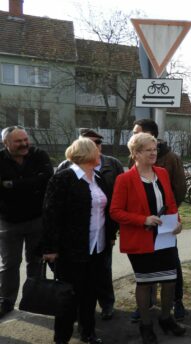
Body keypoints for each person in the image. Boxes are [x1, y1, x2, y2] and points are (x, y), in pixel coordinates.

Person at [110, 133, 185, 344]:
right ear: (135, 153)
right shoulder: (124, 179)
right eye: (148, 150)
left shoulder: (161, 173)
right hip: (140, 238)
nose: (153, 153)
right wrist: (143, 219)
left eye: (155, 150)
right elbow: (115, 211)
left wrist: (176, 221)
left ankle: (165, 318)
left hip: (165, 237)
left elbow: (170, 201)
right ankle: (146, 325)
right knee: (145, 283)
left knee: (170, 280)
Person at [41, 138, 114, 344]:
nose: (100, 154)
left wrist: (109, 236)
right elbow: (50, 214)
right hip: (70, 249)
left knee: (90, 293)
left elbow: (105, 212)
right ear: (87, 154)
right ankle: (62, 338)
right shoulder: (64, 178)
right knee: (68, 297)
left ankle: (88, 332)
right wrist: (50, 248)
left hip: (96, 246)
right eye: (97, 151)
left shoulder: (97, 178)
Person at [56, 128, 123, 320]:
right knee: (76, 279)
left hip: (101, 233)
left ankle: (104, 306)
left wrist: (112, 232)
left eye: (99, 143)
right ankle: (73, 316)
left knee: (102, 272)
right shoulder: (65, 171)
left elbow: (114, 199)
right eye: (92, 144)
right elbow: (53, 210)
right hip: (74, 239)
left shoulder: (110, 166)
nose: (97, 147)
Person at [132, 119, 188, 321]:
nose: (132, 134)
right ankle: (146, 307)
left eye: (136, 132)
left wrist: (172, 217)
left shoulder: (171, 158)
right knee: (146, 273)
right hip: (144, 226)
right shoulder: (135, 157)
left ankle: (177, 302)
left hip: (166, 225)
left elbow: (179, 191)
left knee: (172, 269)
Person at [0, 125, 53, 319]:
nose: (24, 144)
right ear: (6, 143)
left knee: (36, 261)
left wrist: (11, 185)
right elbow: (38, 182)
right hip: (8, 222)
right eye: (18, 141)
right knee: (9, 264)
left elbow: (47, 179)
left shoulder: (39, 155)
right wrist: (32, 182)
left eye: (25, 139)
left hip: (37, 219)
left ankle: (33, 299)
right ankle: (5, 301)